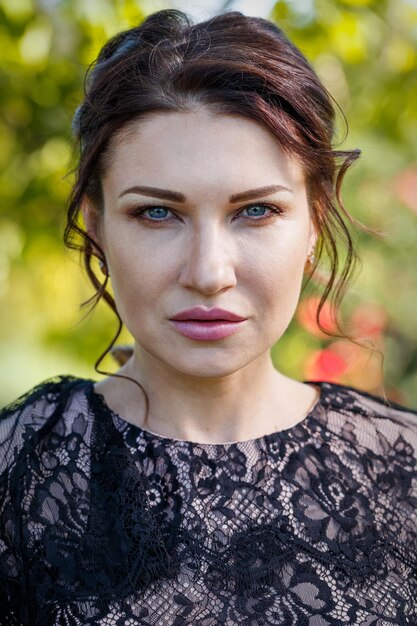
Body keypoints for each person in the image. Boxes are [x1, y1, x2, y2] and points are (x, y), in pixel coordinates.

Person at [0, 8, 416, 625]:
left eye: (255, 211)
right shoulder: (16, 477)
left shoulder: (405, 475)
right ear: (97, 228)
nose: (209, 272)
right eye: (157, 214)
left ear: (315, 224)